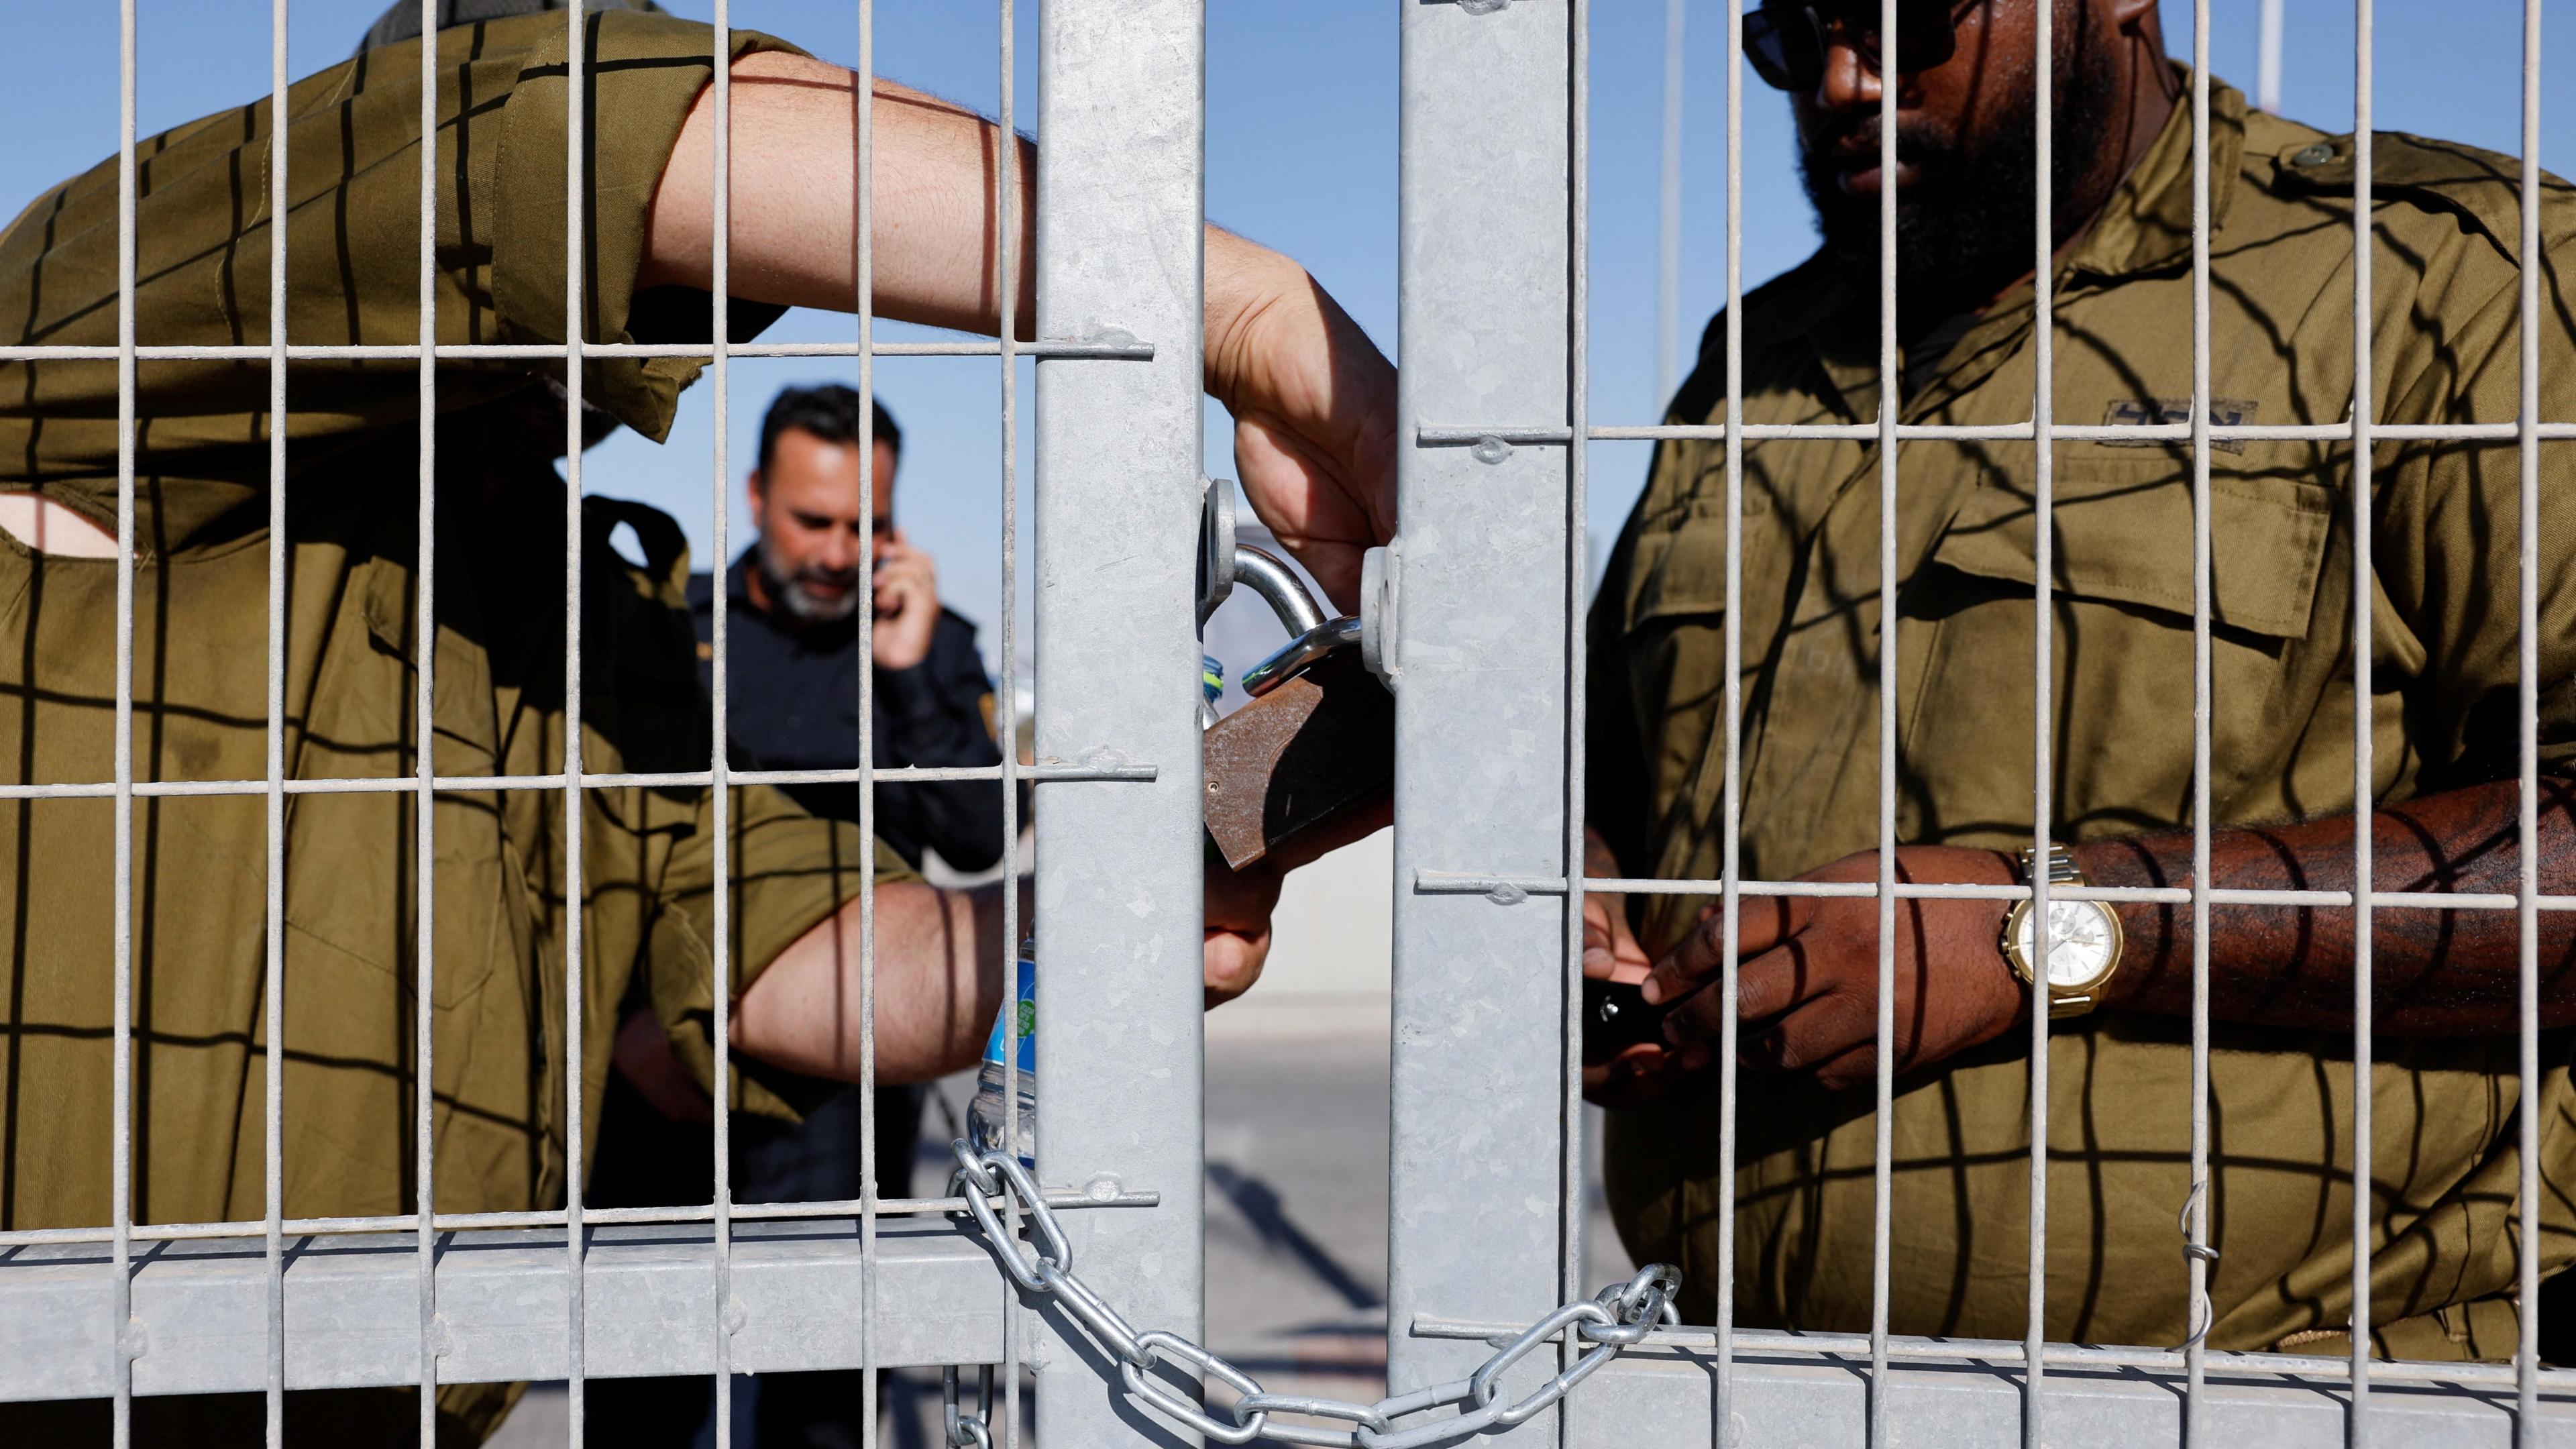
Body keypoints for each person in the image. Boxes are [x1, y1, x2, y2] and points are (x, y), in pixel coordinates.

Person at [0, 0, 1395, 1442]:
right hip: (61, 1380)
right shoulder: (122, 330)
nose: (607, 328)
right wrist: (1227, 307)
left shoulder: (580, 609)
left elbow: (780, 939)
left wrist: (1115, 921)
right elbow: (539, 147)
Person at [1582, 0, 2576, 1364]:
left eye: (1905, 14)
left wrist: (2051, 930)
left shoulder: (2439, 280)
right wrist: (1575, 893)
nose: (1840, 77)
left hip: (2290, 1392)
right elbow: (1595, 762)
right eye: (1789, 30)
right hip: (1735, 1383)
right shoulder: (1750, 368)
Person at [587, 386, 1008, 1449]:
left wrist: (911, 678)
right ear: (754, 497)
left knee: (825, 1394)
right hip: (661, 1069)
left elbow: (980, 837)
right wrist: (629, 1034)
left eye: (863, 523)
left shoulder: (930, 646)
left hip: (845, 1094)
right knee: (640, 1385)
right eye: (811, 521)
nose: (837, 550)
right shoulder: (667, 638)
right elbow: (605, 845)